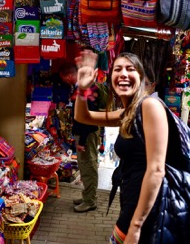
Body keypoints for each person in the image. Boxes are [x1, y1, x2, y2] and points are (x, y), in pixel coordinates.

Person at [74, 49, 169, 244]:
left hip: (147, 208)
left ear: (140, 78)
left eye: (130, 69)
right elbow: (83, 117)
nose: (123, 74)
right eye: (117, 69)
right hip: (132, 201)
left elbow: (157, 170)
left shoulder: (149, 106)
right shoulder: (128, 112)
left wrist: (136, 226)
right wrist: (83, 89)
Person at [59, 63, 108, 212]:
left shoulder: (86, 90)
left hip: (88, 134)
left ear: (69, 76)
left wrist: (83, 140)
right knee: (85, 166)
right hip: (85, 133)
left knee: (89, 166)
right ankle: (87, 196)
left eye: (64, 78)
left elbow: (88, 118)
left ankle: (90, 201)